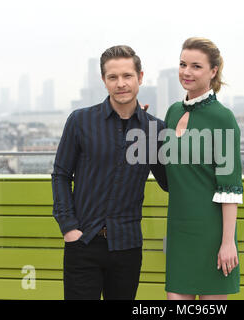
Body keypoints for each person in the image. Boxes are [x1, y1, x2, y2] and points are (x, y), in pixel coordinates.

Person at [51, 45, 167, 300]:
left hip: (127, 246)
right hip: (83, 242)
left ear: (140, 77)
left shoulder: (154, 130)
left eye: (127, 76)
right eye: (113, 77)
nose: (121, 83)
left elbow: (169, 182)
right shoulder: (80, 121)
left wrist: (179, 139)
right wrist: (69, 228)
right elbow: (60, 175)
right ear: (104, 80)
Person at [164, 37, 243, 300]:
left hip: (212, 234)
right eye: (182, 64)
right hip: (178, 231)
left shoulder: (222, 118)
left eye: (196, 66)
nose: (186, 72)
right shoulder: (172, 112)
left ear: (213, 71)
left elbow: (229, 186)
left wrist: (228, 242)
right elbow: (167, 172)